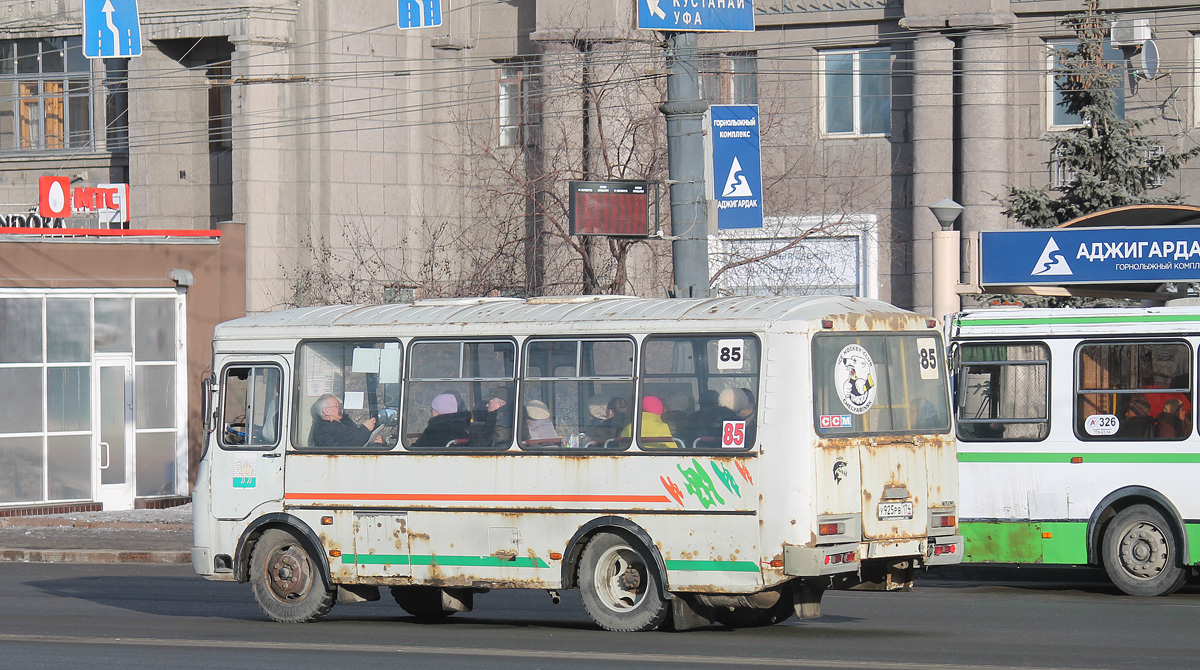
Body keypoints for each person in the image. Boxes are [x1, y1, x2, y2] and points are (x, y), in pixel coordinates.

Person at [310, 393, 378, 447]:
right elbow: (344, 448)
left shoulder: (345, 421)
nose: (341, 407)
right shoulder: (321, 431)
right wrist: (364, 430)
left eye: (340, 405)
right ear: (326, 411)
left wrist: (373, 440)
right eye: (336, 406)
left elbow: (356, 439)